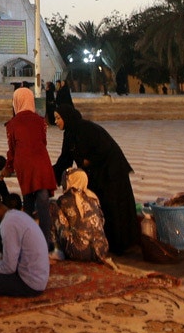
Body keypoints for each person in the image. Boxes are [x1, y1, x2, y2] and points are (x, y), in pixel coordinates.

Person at [53, 102, 141, 255]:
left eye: (58, 118)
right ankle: (110, 242)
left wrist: (89, 160)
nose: (56, 122)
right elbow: (65, 159)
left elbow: (105, 148)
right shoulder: (70, 133)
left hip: (111, 171)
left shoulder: (85, 129)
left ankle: (122, 245)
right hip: (98, 173)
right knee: (103, 205)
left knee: (114, 206)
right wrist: (50, 174)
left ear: (66, 117)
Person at [5, 86, 57, 248]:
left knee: (28, 199)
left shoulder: (12, 123)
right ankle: (45, 239)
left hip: (25, 163)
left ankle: (27, 239)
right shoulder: (40, 120)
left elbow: (12, 148)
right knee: (43, 200)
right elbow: (43, 141)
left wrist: (8, 166)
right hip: (41, 160)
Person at [52, 169, 111, 263]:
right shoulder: (93, 198)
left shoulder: (64, 200)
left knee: (52, 207)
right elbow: (102, 221)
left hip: (78, 252)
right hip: (102, 249)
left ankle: (57, 249)